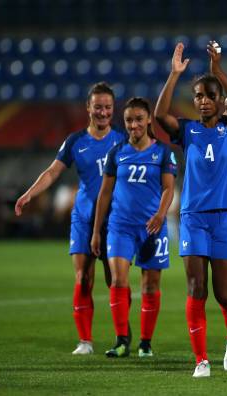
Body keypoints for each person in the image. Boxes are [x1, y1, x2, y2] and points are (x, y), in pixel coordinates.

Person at [155, 41, 227, 378]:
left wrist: (218, 72)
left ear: (220, 99)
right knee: (197, 288)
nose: (204, 100)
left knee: (226, 295)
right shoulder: (188, 131)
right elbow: (158, 116)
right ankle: (201, 360)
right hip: (194, 218)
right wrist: (174, 74)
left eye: (210, 95)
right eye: (198, 96)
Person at [15, 82, 127, 355]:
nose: (102, 112)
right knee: (82, 277)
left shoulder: (123, 140)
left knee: (115, 280)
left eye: (108, 108)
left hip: (114, 220)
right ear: (88, 108)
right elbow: (53, 172)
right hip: (83, 218)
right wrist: (29, 194)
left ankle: (122, 337)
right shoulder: (76, 141)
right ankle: (85, 341)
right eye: (98, 107)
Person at [91, 97, 177, 358]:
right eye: (129, 120)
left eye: (139, 119)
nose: (134, 125)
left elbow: (168, 188)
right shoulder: (116, 153)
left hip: (152, 227)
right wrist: (96, 230)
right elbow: (104, 194)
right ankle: (121, 340)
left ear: (149, 119)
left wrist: (161, 216)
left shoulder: (163, 152)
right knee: (118, 279)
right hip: (120, 226)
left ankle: (146, 343)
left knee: (150, 284)